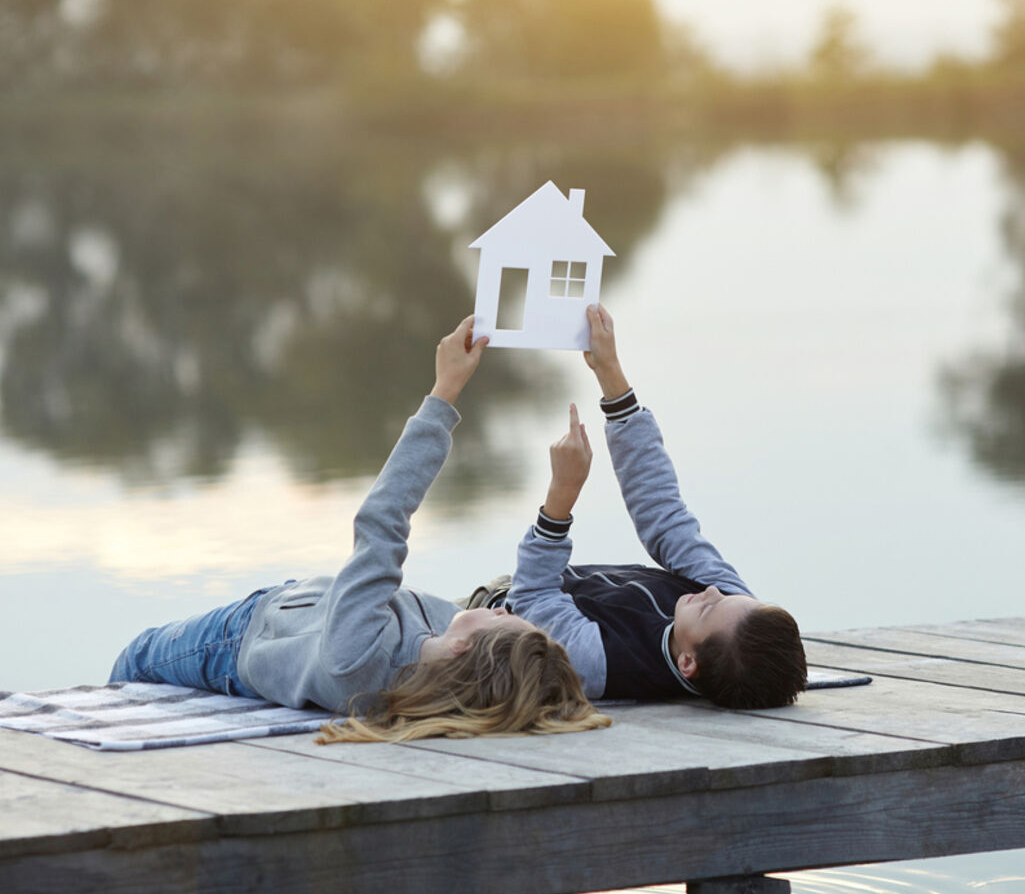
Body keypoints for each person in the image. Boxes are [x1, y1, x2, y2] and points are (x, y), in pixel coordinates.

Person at [109, 315, 611, 744]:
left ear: (467, 648)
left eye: (506, 618)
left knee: (134, 659)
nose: (504, 607)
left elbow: (382, 522)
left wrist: (444, 394)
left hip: (234, 641)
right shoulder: (447, 667)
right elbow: (531, 674)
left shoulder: (361, 661)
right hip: (293, 613)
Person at [505, 304, 808, 709]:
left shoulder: (600, 665)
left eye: (708, 608)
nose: (712, 590)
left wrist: (562, 494)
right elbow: (666, 519)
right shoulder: (736, 617)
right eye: (725, 596)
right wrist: (610, 373)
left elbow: (533, 597)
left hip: (488, 613)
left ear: (687, 662)